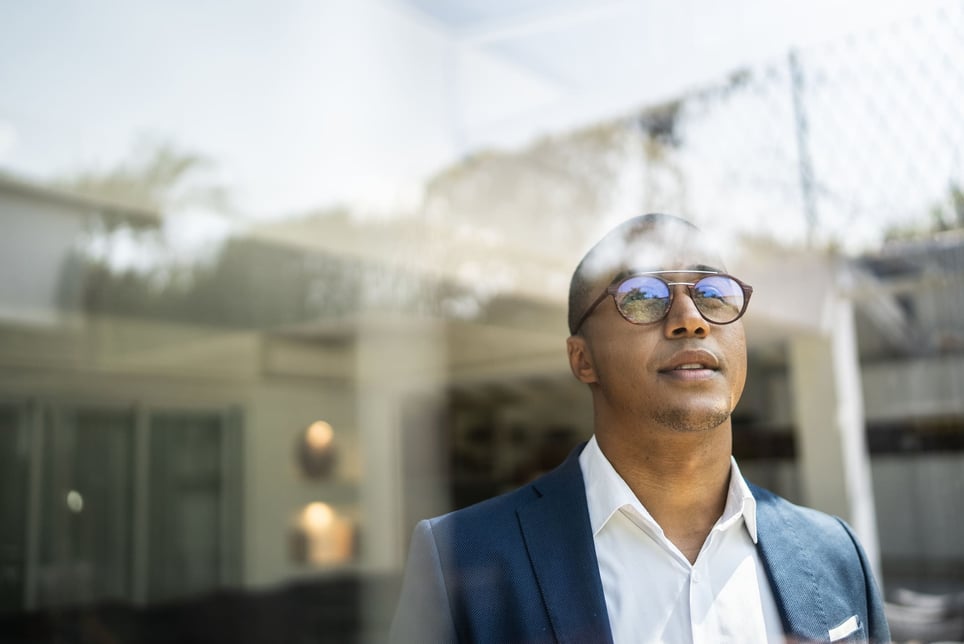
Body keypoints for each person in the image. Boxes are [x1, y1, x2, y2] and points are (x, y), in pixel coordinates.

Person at [390, 214, 890, 643]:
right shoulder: (462, 561)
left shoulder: (835, 552)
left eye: (713, 293)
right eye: (644, 296)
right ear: (582, 359)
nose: (690, 319)